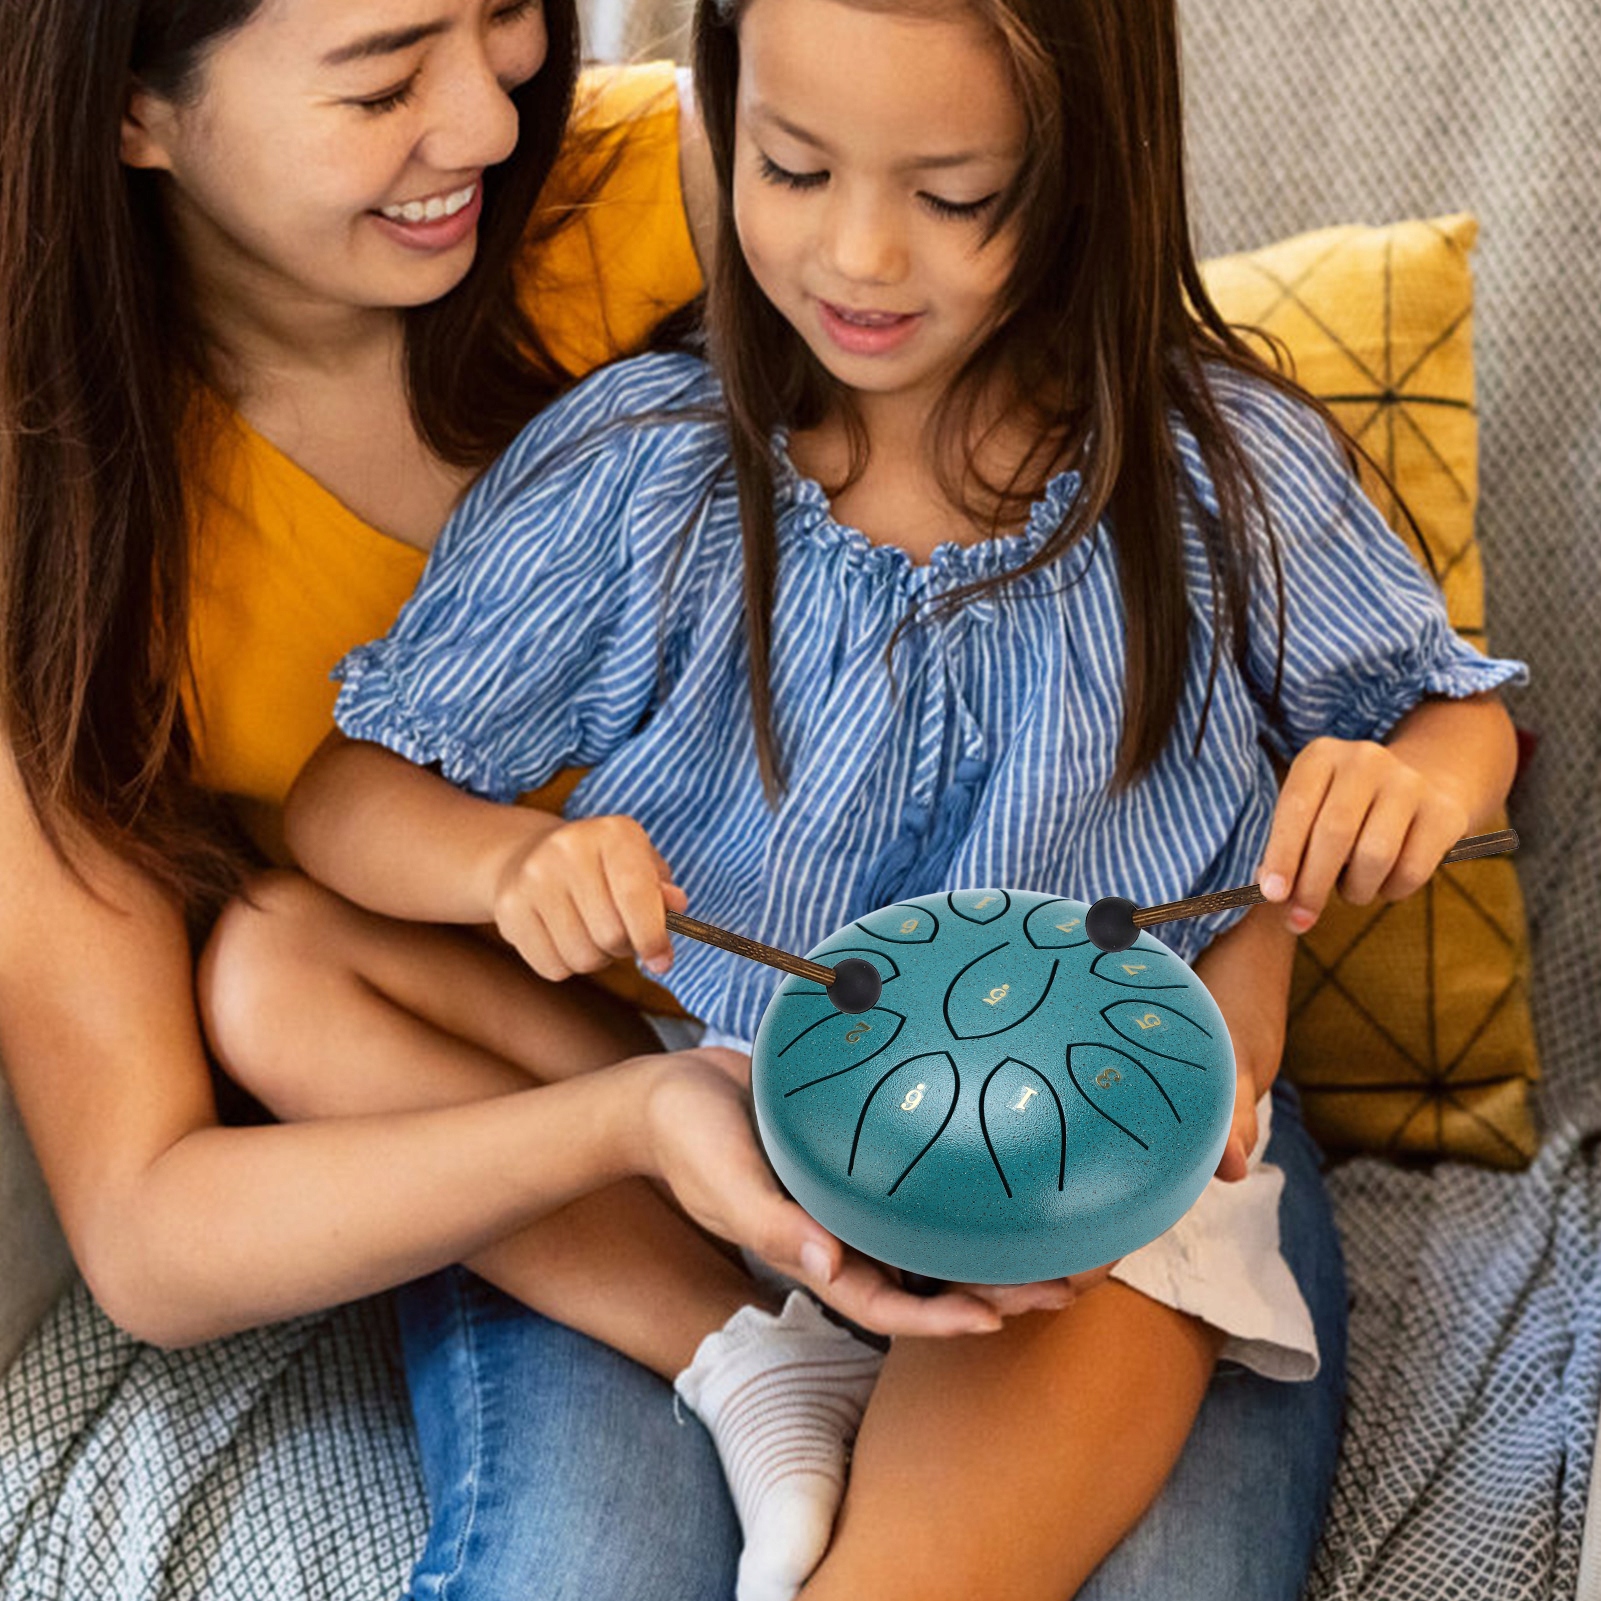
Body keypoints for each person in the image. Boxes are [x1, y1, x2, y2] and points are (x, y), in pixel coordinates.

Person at [199, 0, 1529, 1598]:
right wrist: (509, 862)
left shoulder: (1216, 468)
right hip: (725, 1104)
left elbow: (1453, 716)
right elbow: (348, 797)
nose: (857, 257)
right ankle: (754, 1351)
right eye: (790, 168)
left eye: (953, 196)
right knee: (275, 953)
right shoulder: (642, 464)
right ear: (724, 120)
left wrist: (1404, 784)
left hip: (1096, 1154)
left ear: (1086, 174)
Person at [0, 4, 1038, 1600]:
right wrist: (628, 1123)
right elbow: (145, 1223)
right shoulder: (66, 519)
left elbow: (1140, 516)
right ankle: (760, 1349)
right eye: (382, 80)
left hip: (950, 1039)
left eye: (504, 18)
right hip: (540, 1124)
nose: (492, 122)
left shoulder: (704, 187)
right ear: (131, 111)